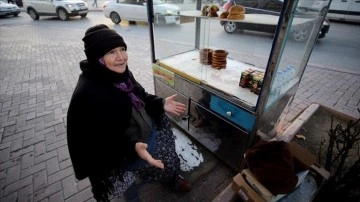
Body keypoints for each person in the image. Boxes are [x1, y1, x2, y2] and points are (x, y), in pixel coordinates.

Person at [66, 24, 191, 202]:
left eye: (122, 49)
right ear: (98, 58)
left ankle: (171, 179)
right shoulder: (87, 93)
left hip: (148, 135)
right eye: (111, 52)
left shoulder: (121, 73)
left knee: (165, 161)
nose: (121, 57)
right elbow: (98, 140)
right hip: (123, 155)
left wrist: (161, 103)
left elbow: (141, 95)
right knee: (129, 185)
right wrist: (132, 145)